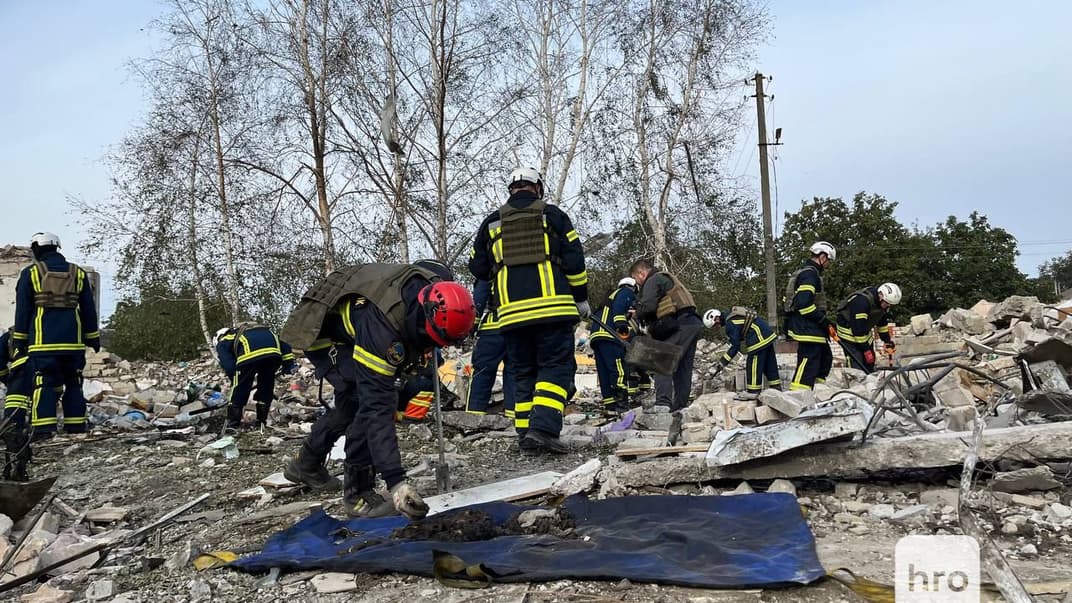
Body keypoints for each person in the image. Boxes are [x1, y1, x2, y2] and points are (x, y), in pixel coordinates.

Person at [280, 262, 475, 519]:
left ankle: (306, 464)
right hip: (322, 332)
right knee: (362, 401)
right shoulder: (383, 330)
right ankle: (357, 493)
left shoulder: (442, 290)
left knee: (352, 404)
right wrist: (397, 483)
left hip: (356, 324)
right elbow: (377, 408)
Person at [469, 167, 588, 455]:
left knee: (522, 372)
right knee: (555, 368)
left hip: (510, 316)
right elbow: (574, 259)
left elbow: (478, 268)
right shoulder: (553, 215)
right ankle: (544, 430)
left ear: (511, 189)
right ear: (538, 188)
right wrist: (581, 297)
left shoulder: (491, 222)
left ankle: (525, 435)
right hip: (552, 310)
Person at [12, 232, 100, 439]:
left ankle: (43, 430)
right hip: (73, 343)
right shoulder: (77, 273)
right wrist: (93, 337)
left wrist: (19, 340)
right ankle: (76, 428)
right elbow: (88, 309)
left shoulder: (31, 273)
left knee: (43, 384)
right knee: (74, 382)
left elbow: (23, 310)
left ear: (36, 248)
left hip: (43, 343)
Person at [630, 259, 703, 412]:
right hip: (692, 323)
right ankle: (680, 407)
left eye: (636, 279)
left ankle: (663, 405)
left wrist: (636, 313)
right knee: (683, 367)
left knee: (662, 361)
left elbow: (649, 306)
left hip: (680, 324)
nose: (637, 283)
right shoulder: (666, 278)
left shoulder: (652, 280)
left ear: (641, 273)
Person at [214, 324, 296, 430]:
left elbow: (228, 365)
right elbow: (286, 347)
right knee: (266, 388)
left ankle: (232, 425)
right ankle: (261, 422)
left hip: (248, 356)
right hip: (272, 356)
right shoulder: (261, 332)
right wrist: (288, 365)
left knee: (240, 389)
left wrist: (235, 379)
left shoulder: (224, 341)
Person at [784, 241, 836, 391]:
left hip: (811, 327)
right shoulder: (810, 275)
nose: (828, 265)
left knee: (825, 358)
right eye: (829, 261)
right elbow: (803, 304)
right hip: (807, 328)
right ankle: (798, 395)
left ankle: (818, 392)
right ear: (822, 256)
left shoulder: (808, 273)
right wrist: (823, 320)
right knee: (808, 362)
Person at [464, 279, 516, 418]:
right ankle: (514, 418)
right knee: (515, 373)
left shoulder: (490, 269)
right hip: (518, 328)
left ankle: (473, 416)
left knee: (483, 373)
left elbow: (479, 299)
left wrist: (471, 327)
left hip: (493, 329)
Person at [704, 308, 780, 400]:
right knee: (769, 363)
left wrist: (722, 362)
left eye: (716, 325)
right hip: (767, 334)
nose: (717, 327)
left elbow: (735, 347)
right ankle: (776, 388)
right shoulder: (731, 315)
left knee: (752, 363)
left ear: (716, 318)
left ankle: (753, 391)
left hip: (758, 337)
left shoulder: (730, 324)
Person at [589, 277, 639, 414]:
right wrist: (622, 326)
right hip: (610, 336)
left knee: (604, 371)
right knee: (618, 369)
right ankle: (621, 403)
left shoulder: (608, 298)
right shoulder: (625, 292)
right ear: (633, 287)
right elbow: (619, 308)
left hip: (597, 336)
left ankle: (610, 404)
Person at [835, 283, 901, 372]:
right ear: (880, 296)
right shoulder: (861, 302)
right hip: (848, 333)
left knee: (870, 363)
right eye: (887, 304)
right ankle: (856, 384)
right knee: (857, 365)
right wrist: (866, 350)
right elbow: (857, 330)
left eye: (891, 305)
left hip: (864, 332)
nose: (889, 306)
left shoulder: (882, 304)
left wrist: (887, 340)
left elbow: (882, 322)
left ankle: (869, 382)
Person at [1, 327, 31, 427]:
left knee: (15, 396)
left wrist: (6, 379)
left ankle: (13, 427)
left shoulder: (10, 335)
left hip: (22, 368)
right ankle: (40, 429)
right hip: (47, 367)